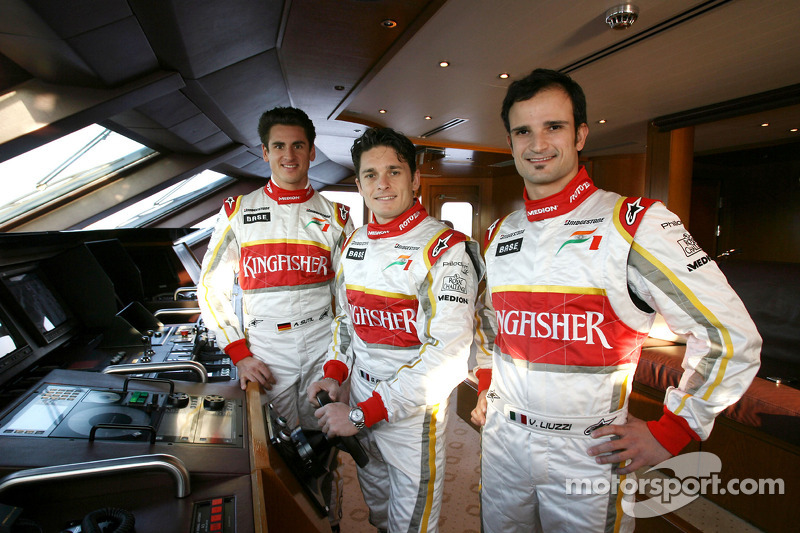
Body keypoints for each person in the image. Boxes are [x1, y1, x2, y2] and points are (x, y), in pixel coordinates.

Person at [470, 69, 761, 532]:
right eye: (523, 130)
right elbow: (488, 321)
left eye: (554, 127)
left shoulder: (636, 223)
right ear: (510, 142)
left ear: (581, 134)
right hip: (503, 441)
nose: (538, 142)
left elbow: (731, 336)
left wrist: (673, 431)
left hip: (589, 451)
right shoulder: (499, 233)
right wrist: (485, 378)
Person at [307, 127, 484, 532]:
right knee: (380, 512)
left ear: (415, 178)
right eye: (370, 174)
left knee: (412, 524)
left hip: (412, 415)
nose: (382, 184)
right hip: (363, 397)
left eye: (393, 172)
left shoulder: (446, 249)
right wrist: (334, 373)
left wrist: (361, 413)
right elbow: (346, 322)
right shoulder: (353, 243)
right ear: (358, 183)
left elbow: (449, 356)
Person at [196, 106, 353, 529]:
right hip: (266, 354)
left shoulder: (337, 217)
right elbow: (209, 289)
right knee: (276, 459)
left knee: (324, 447)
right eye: (279, 146)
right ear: (264, 152)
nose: (289, 154)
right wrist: (239, 353)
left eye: (298, 145)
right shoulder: (237, 213)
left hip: (322, 347)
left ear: (312, 151)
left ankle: (328, 519)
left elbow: (349, 303)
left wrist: (337, 365)